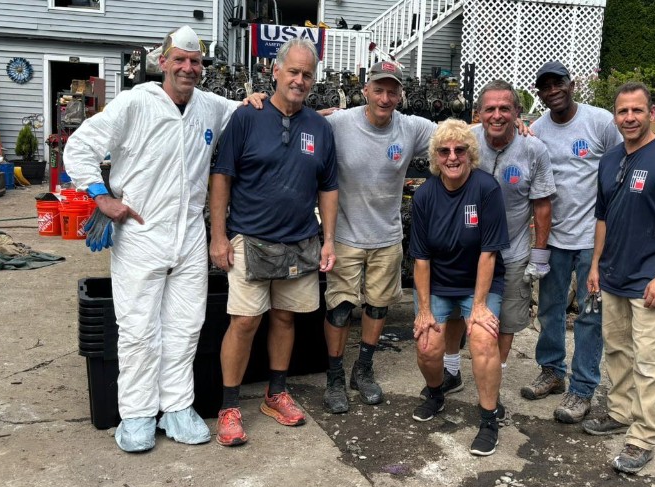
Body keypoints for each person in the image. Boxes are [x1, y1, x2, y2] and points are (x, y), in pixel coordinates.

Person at [64, 26, 246, 453]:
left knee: (186, 325)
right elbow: (80, 146)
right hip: (142, 233)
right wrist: (101, 197)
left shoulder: (209, 106)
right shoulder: (135, 103)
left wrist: (311, 113)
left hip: (189, 234)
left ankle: (178, 407)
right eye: (179, 59)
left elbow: (251, 112)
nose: (188, 68)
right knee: (139, 328)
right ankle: (138, 413)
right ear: (162, 62)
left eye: (195, 61)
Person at [209, 38, 338, 447]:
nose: (299, 80)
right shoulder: (248, 117)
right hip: (250, 238)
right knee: (245, 321)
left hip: (300, 241)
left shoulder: (320, 128)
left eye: (307, 75)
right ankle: (229, 406)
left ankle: (275, 393)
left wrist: (328, 240)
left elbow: (328, 187)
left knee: (285, 318)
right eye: (293, 71)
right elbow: (222, 176)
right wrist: (218, 235)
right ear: (275, 71)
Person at [583, 82, 655, 474]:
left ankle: (643, 437)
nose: (629, 118)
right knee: (616, 351)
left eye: (637, 110)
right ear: (614, 116)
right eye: (622, 111)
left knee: (648, 362)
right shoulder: (610, 160)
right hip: (613, 274)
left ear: (652, 114)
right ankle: (619, 412)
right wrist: (595, 265)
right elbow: (602, 217)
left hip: (649, 279)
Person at [317, 61, 437, 413]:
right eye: (379, 90)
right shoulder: (340, 123)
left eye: (392, 92)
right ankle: (335, 375)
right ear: (365, 91)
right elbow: (299, 124)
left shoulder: (411, 127)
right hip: (344, 235)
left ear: (401, 95)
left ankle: (363, 369)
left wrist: (514, 124)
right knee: (340, 309)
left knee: (378, 305)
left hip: (386, 236)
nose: (385, 98)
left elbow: (457, 134)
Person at [433, 80, 555, 412]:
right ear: (478, 113)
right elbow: (438, 144)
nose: (497, 115)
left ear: (517, 113)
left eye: (505, 109)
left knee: (503, 321)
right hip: (467, 252)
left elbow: (542, 204)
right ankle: (452, 371)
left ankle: (493, 382)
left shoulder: (533, 150)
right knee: (457, 311)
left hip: (511, 252)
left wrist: (539, 254)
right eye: (490, 109)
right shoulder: (467, 140)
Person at [521, 61, 623, 425]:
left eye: (558, 83)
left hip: (594, 239)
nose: (553, 91)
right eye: (545, 86)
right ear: (540, 93)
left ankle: (582, 388)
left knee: (590, 315)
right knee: (550, 309)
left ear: (572, 84)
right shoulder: (537, 130)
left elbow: (622, 163)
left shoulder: (600, 122)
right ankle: (552, 371)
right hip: (553, 237)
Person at [410, 119, 510, 456]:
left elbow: (488, 253)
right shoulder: (424, 195)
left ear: (471, 153)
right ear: (435, 157)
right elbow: (420, 259)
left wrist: (479, 305)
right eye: (444, 151)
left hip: (478, 281)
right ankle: (436, 392)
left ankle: (489, 418)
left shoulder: (486, 188)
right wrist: (424, 310)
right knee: (427, 344)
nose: (452, 157)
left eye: (459, 150)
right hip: (438, 282)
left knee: (482, 339)